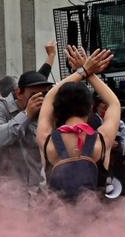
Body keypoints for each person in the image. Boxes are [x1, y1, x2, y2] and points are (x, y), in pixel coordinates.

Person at [36, 46, 119, 202]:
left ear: (57, 110)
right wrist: (90, 74)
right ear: (89, 109)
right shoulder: (101, 141)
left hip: (57, 222)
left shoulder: (46, 141)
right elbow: (114, 103)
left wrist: (82, 71)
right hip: (95, 222)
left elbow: (48, 98)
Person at [0, 68, 53, 210]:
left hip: (33, 196)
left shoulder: (45, 114)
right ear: (18, 93)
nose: (40, 99)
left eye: (44, 94)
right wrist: (26, 114)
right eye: (33, 95)